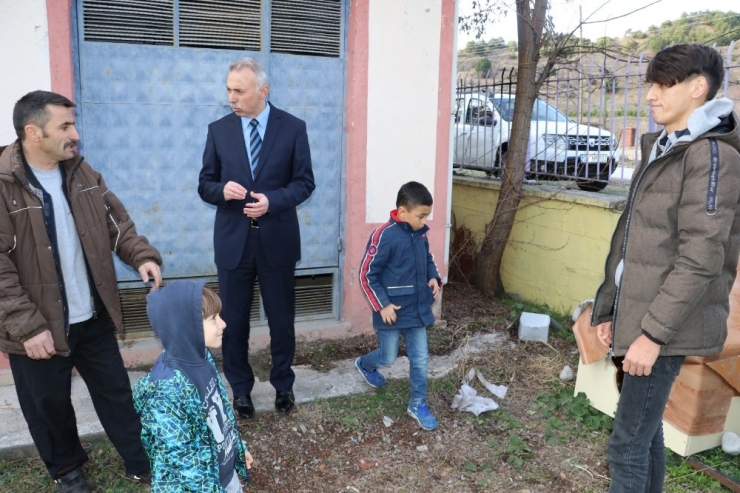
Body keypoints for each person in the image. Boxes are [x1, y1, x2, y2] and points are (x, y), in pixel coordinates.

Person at [591, 43, 740, 492]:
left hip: (665, 326)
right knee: (646, 431)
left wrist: (652, 335)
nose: (652, 95)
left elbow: (701, 257)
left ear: (698, 88)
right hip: (646, 316)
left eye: (663, 84)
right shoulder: (668, 147)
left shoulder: (711, 156)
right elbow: (636, 238)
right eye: (651, 84)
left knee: (626, 445)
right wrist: (609, 309)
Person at [0, 91, 163, 492]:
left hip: (90, 315)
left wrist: (140, 254)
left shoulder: (81, 171)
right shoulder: (3, 185)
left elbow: (116, 221)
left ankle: (139, 460)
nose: (75, 134)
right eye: (66, 126)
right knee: (48, 406)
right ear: (33, 132)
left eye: (73, 124)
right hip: (38, 327)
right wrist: (26, 326)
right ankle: (68, 472)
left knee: (116, 394)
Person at [198, 58, 315, 419]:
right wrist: (223, 192)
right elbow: (205, 184)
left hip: (277, 241)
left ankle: (283, 385)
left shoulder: (293, 128)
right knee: (232, 322)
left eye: (239, 91)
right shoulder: (219, 130)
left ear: (263, 91)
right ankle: (241, 391)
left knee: (281, 320)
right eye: (228, 90)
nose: (231, 97)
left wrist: (272, 201)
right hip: (234, 244)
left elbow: (304, 183)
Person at [133, 281, 253, 492]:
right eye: (213, 319)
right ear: (188, 326)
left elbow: (221, 415)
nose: (223, 324)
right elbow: (183, 461)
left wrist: (236, 449)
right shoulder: (165, 391)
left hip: (223, 475)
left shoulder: (202, 358)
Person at [356, 181, 442, 431]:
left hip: (417, 310)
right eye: (421, 216)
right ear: (403, 212)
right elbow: (366, 274)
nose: (424, 221)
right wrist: (382, 305)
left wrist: (433, 276)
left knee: (420, 359)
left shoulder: (420, 234)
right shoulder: (384, 235)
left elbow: (427, 259)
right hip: (391, 312)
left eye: (427, 216)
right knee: (388, 356)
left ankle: (417, 404)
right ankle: (365, 364)